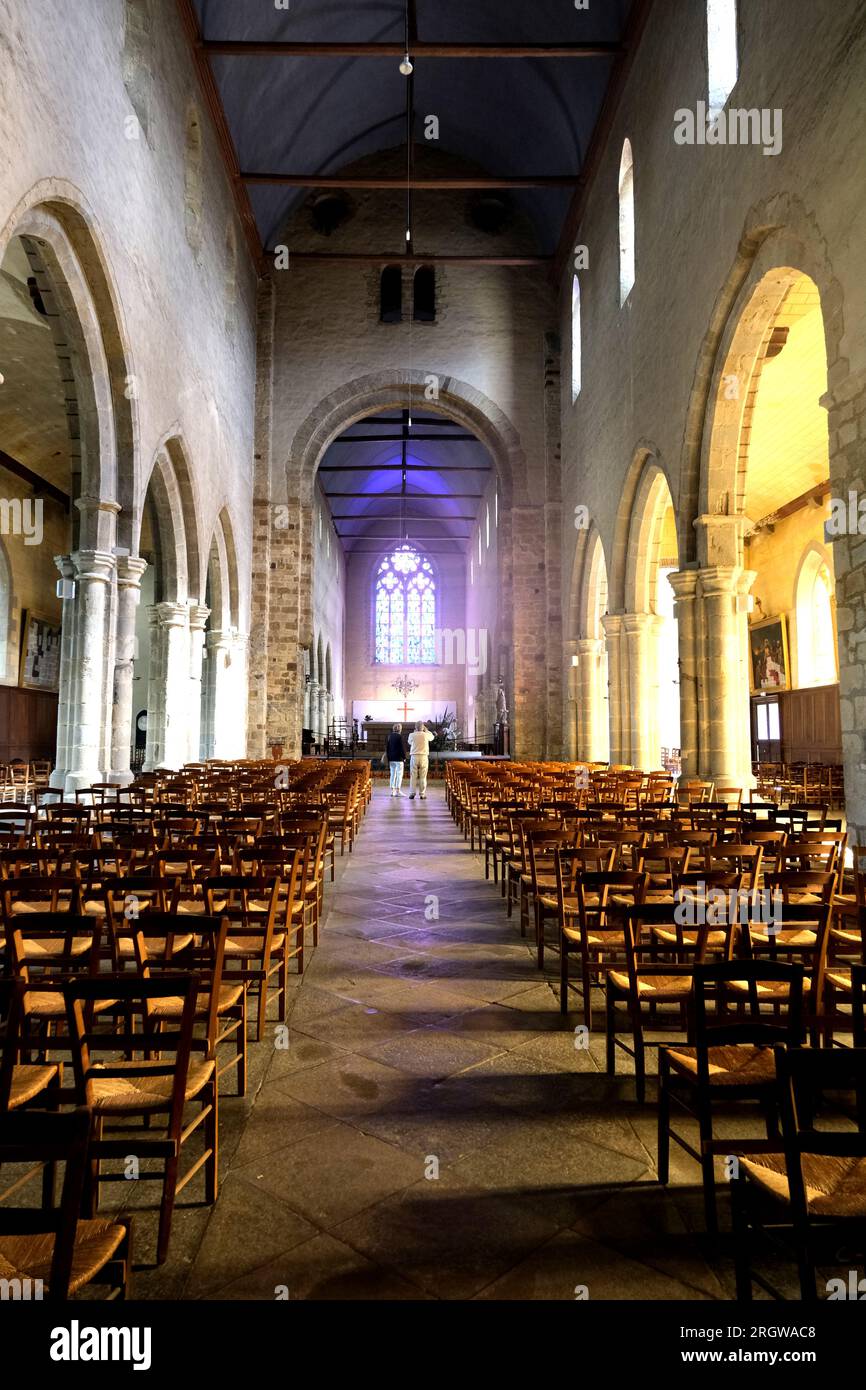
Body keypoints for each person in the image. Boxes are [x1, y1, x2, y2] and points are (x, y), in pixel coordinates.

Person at [407, 720, 435, 800]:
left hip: (414, 756)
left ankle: (412, 793)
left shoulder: (411, 735)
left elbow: (409, 742)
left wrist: (415, 732)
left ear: (415, 727)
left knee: (413, 776)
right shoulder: (426, 735)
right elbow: (432, 737)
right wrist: (426, 730)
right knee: (423, 776)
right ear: (423, 727)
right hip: (423, 757)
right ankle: (422, 794)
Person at [386, 723, 407, 797]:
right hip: (399, 758)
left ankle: (393, 791)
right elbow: (402, 748)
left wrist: (388, 758)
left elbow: (387, 748)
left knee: (393, 774)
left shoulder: (390, 736)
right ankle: (398, 790)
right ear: (400, 729)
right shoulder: (400, 737)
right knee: (399, 774)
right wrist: (404, 757)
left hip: (391, 758)